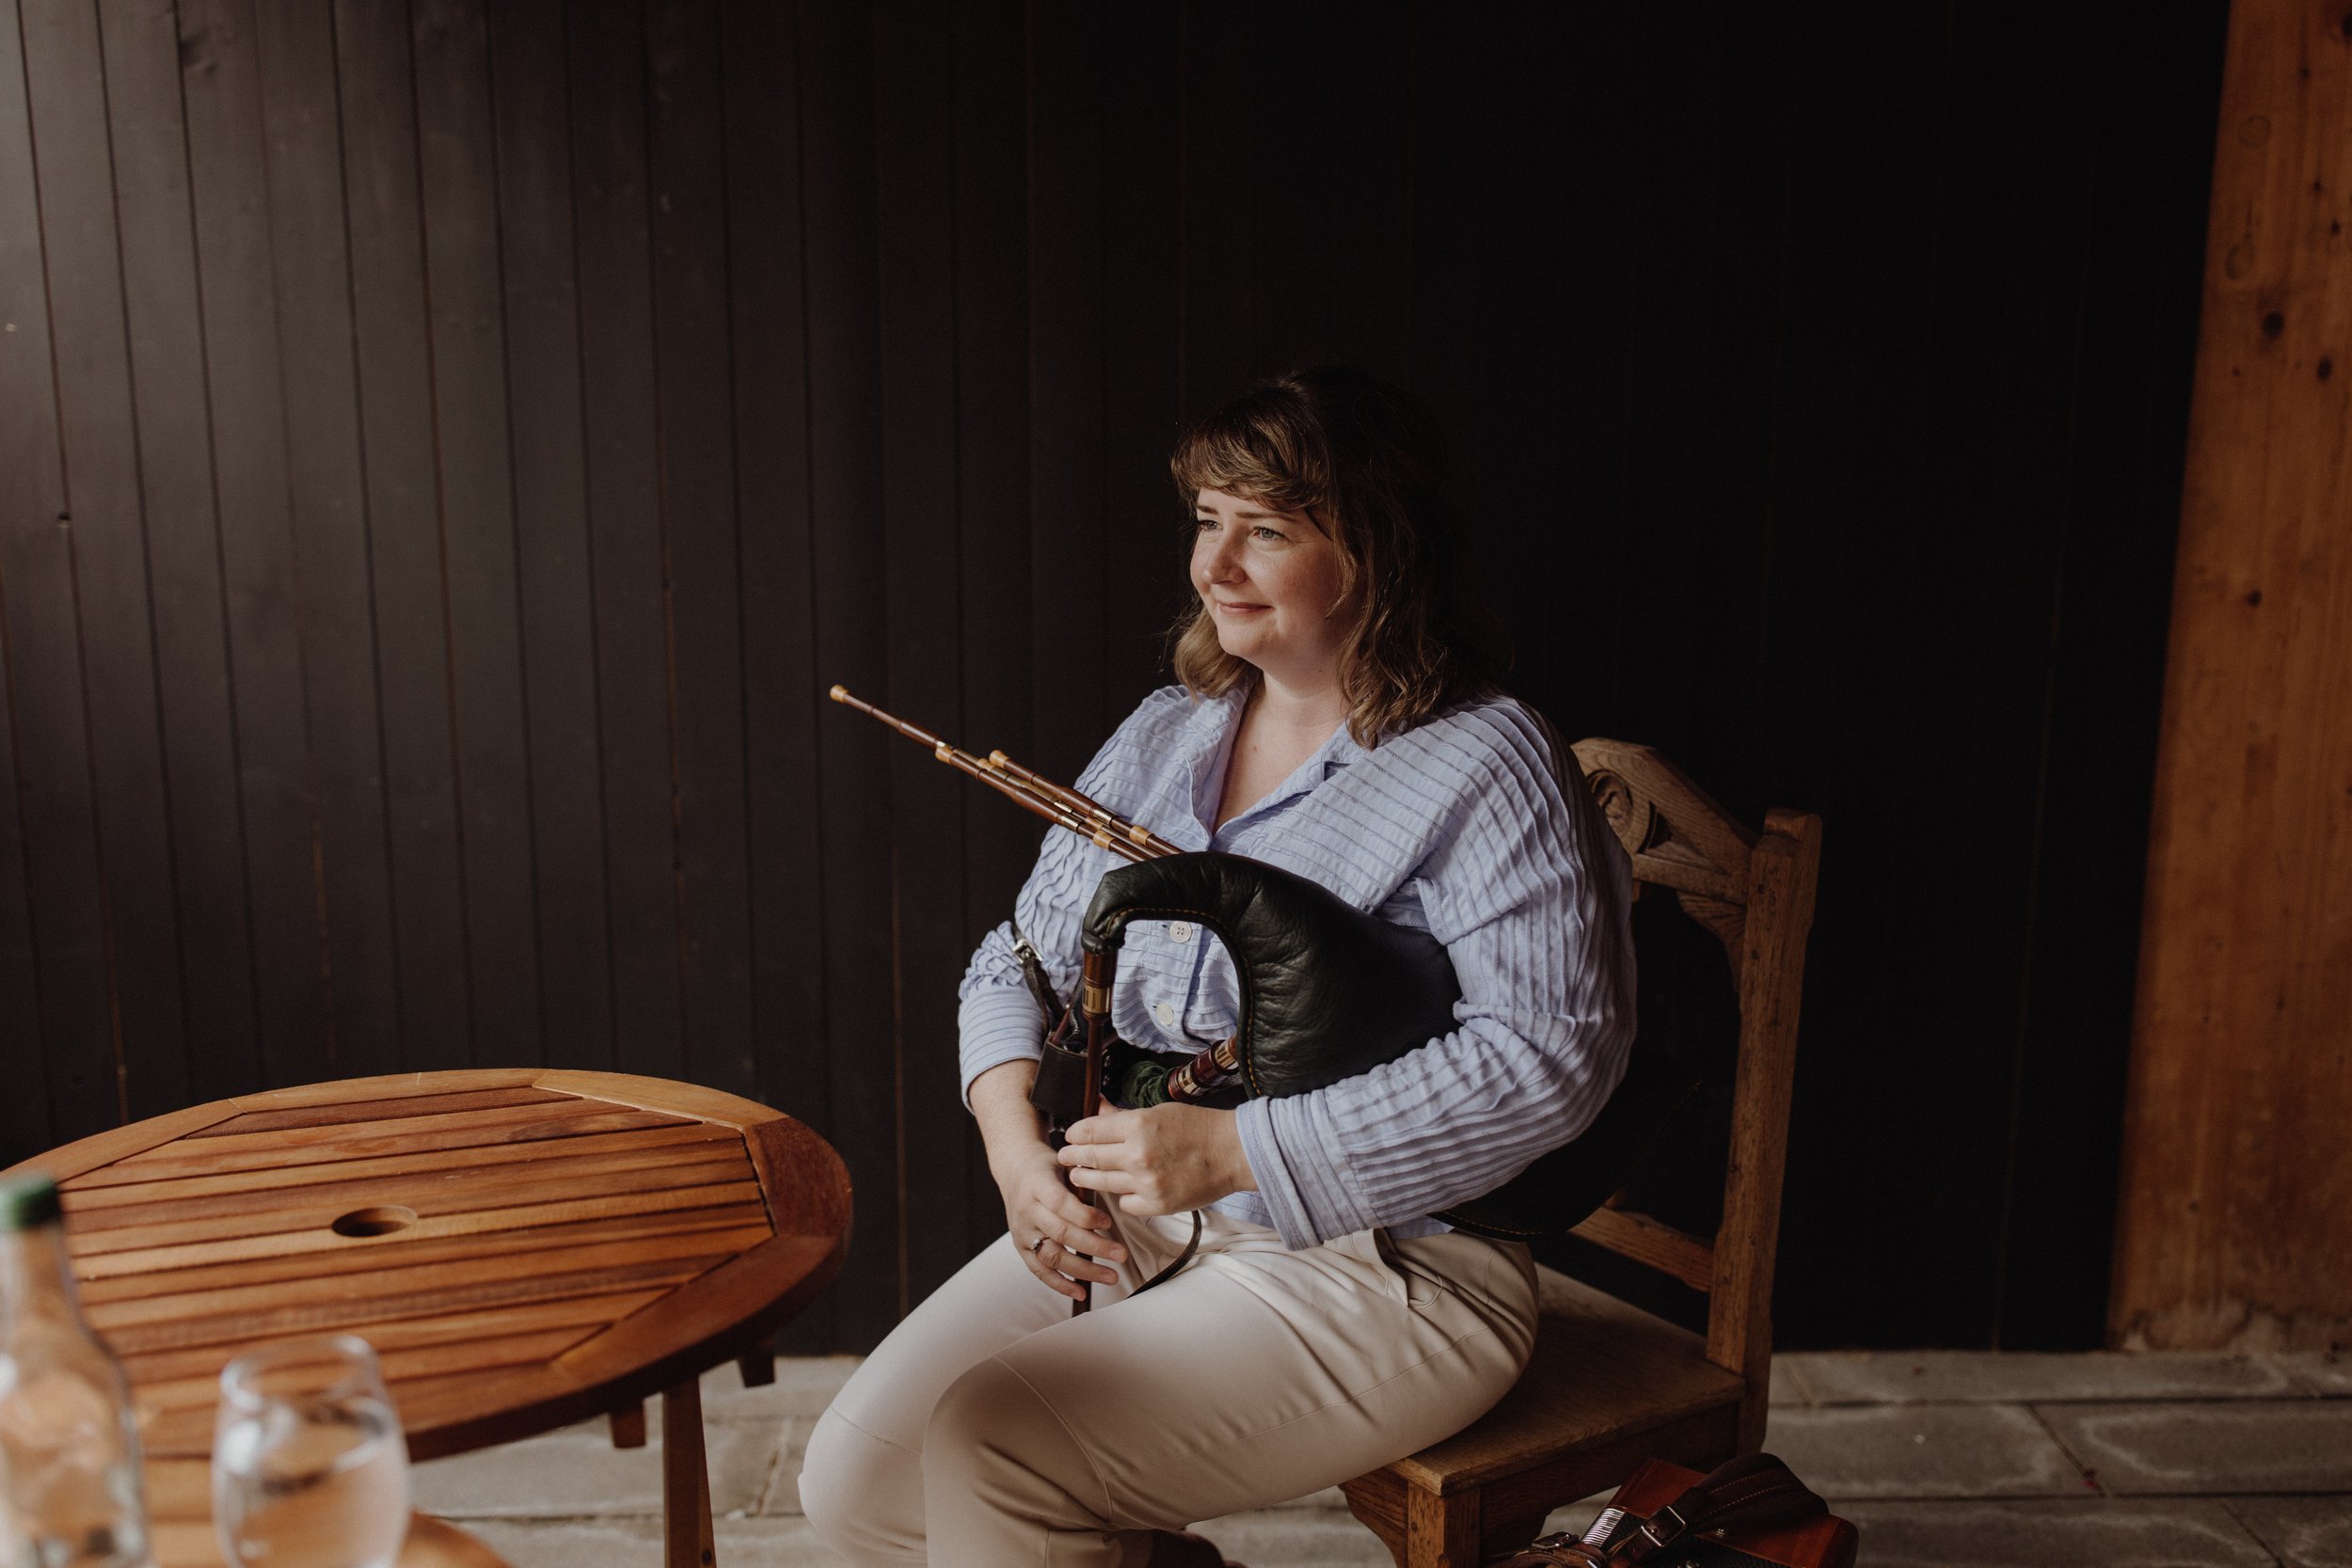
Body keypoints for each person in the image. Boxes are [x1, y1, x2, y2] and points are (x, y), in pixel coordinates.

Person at [798, 367, 1636, 1568]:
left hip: (1394, 1265)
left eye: (1267, 528)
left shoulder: (1483, 759)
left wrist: (1238, 1151)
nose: (1214, 564)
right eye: (1205, 519)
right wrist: (1014, 1151)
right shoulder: (1169, 729)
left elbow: (1551, 1057)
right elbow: (1017, 957)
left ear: (1380, 549)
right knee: (858, 1483)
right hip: (1145, 1216)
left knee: (992, 1445)